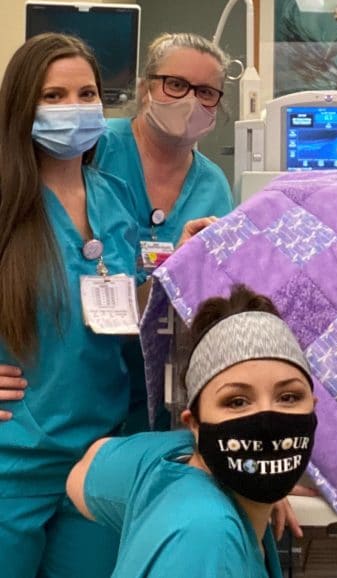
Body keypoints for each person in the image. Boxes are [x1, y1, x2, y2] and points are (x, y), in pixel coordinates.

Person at [0, 33, 140, 578]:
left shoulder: (115, 197)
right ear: (21, 108)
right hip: (14, 460)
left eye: (86, 94)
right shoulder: (9, 206)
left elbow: (127, 310)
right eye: (53, 96)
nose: (73, 109)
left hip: (98, 462)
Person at [66, 284, 317, 578]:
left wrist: (258, 482)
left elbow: (82, 472)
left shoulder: (167, 460)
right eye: (236, 402)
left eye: (288, 397)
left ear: (313, 405)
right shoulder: (209, 537)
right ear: (194, 423)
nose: (267, 422)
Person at [96, 32, 235, 432]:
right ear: (144, 89)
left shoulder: (213, 187)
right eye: (175, 85)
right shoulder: (93, 152)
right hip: (79, 381)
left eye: (206, 92)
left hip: (161, 397)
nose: (190, 100)